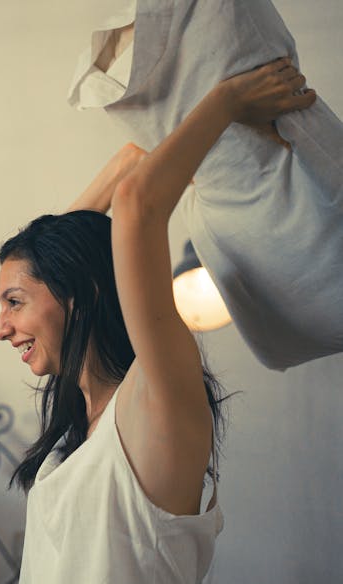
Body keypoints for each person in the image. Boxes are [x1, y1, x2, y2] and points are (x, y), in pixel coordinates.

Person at [0, 60, 315, 584]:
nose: (1, 328)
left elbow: (137, 207)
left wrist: (227, 102)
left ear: (78, 296)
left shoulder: (154, 398)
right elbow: (57, 266)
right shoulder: (81, 430)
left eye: (13, 302)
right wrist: (130, 157)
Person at [67, 0, 343, 370]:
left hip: (259, 218)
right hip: (278, 236)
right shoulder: (137, 377)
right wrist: (224, 104)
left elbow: (58, 247)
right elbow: (123, 205)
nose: (1, 328)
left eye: (13, 302)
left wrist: (157, 152)